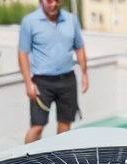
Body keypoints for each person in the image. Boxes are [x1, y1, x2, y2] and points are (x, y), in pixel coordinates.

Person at [17, 0, 88, 143]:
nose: (53, 4)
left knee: (65, 124)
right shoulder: (29, 21)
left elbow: (79, 47)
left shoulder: (71, 20)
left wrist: (85, 74)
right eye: (49, 1)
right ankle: (25, 160)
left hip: (67, 80)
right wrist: (28, 82)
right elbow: (22, 53)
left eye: (57, 0)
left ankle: (58, 161)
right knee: (37, 126)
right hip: (42, 83)